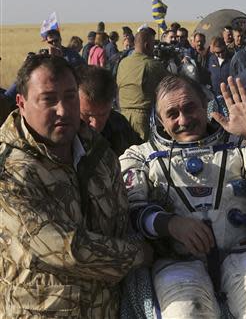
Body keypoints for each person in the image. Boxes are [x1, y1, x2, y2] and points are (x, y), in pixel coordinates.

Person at [119, 74, 246, 318]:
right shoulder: (142, 156)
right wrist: (170, 224)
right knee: (186, 313)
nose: (184, 119)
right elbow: (131, 210)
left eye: (190, 108)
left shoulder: (237, 142)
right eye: (172, 114)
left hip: (243, 256)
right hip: (178, 262)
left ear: (205, 106)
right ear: (158, 120)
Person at [0, 54, 151, 317]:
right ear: (21, 104)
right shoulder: (9, 169)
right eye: (48, 99)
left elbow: (120, 220)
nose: (63, 109)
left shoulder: (100, 154)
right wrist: (141, 253)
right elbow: (63, 247)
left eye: (70, 96)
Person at [76, 65, 142, 156]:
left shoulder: (120, 126)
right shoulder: (63, 135)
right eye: (87, 115)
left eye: (102, 115)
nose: (94, 125)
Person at [117, 28, 167, 141]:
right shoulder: (152, 64)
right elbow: (170, 84)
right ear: (147, 45)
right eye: (153, 44)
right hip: (141, 117)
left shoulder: (123, 62)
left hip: (122, 115)